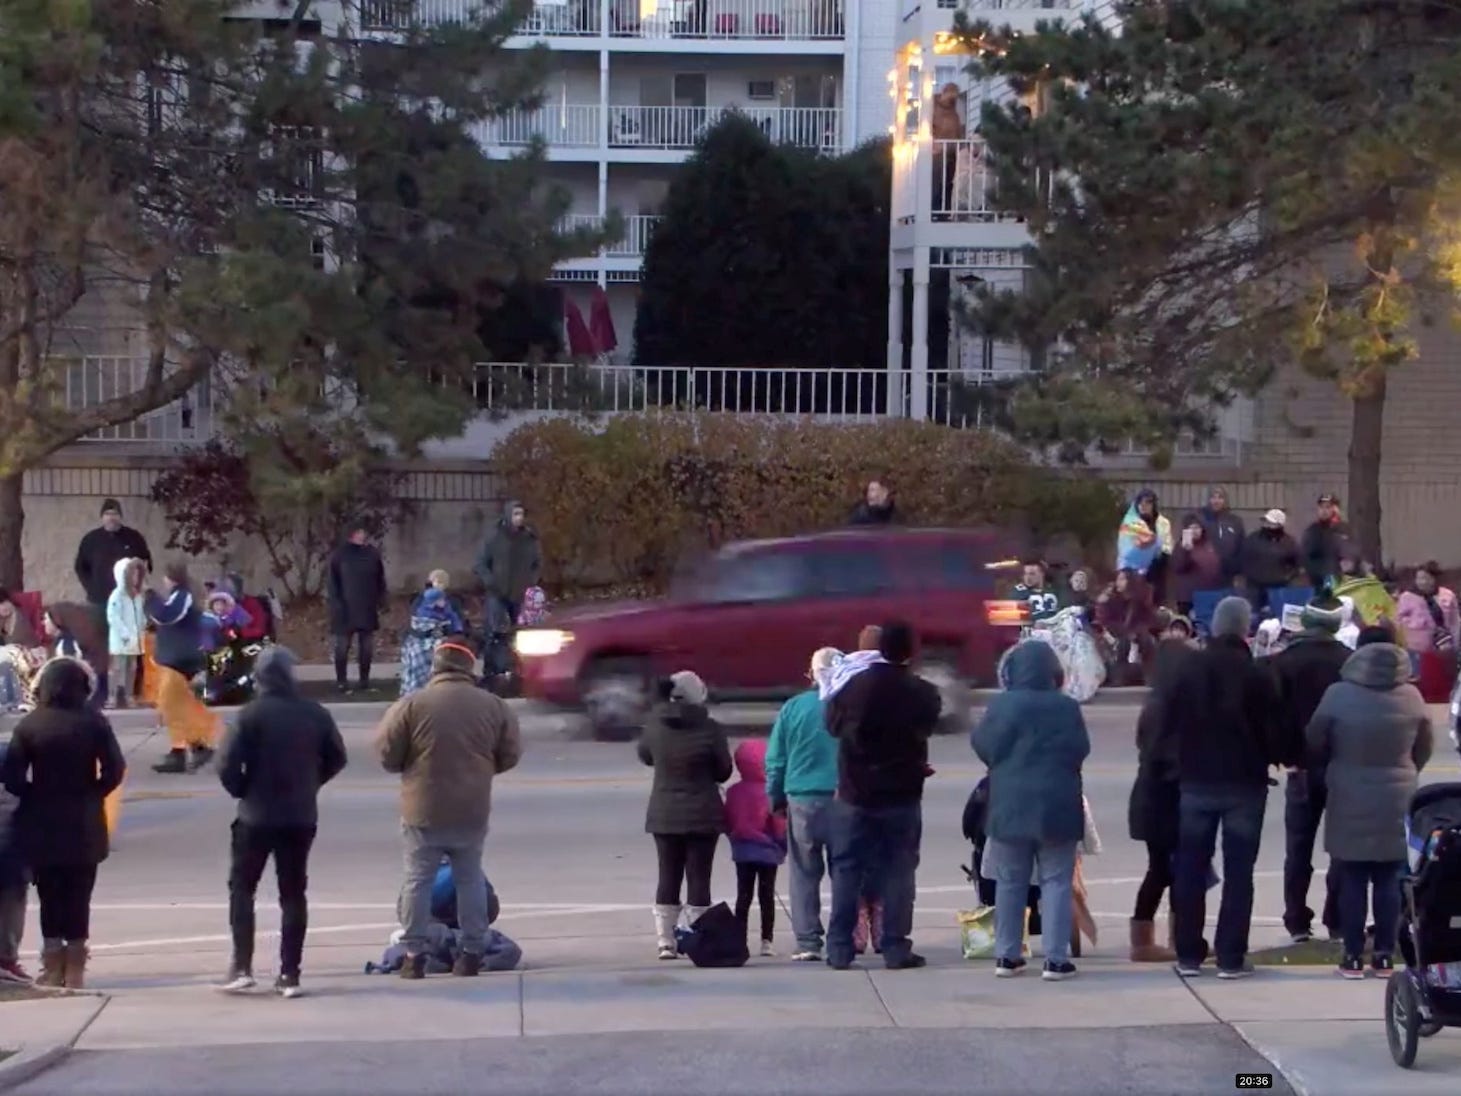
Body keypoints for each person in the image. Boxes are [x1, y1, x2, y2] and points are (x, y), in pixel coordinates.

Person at [376, 639, 522, 979]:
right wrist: (482, 770)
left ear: (436, 667)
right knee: (469, 878)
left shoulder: (411, 705)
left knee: (418, 880)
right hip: (471, 807)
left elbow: (387, 753)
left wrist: (411, 766)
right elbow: (511, 753)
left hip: (422, 807)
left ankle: (414, 955)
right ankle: (471, 953)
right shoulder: (494, 706)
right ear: (469, 668)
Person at [216, 647, 348, 998]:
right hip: (299, 815)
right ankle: (290, 973)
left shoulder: (249, 715)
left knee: (243, 888)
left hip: (255, 814)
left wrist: (242, 789)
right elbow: (337, 757)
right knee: (293, 892)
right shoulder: (314, 714)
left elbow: (226, 764)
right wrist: (312, 782)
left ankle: (242, 966)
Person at [1306, 634, 1433, 978]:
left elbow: (1315, 739)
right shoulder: (1412, 697)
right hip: (1397, 793)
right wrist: (1406, 771)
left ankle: (1350, 954)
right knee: (1391, 877)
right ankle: (1384, 955)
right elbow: (1424, 746)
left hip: (1348, 788)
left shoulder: (1337, 696)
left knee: (1352, 875)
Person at [1169, 596, 1282, 979]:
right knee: (1239, 873)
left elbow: (1168, 724)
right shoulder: (1257, 674)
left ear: (1214, 626)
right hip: (1244, 783)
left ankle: (1188, 953)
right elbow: (1275, 730)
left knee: (1190, 868)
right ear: (1245, 628)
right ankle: (1231, 956)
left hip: (1196, 780)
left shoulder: (1188, 670)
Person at [0, 657, 126, 989]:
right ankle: (76, 966)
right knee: (79, 894)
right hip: (84, 819)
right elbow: (115, 768)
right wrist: (95, 792)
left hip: (41, 819)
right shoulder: (94, 722)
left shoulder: (30, 726)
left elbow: (12, 776)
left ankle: (52, 963)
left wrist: (32, 794)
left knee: (50, 894)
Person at [824, 621, 942, 971]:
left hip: (854, 793)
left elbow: (831, 726)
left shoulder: (851, 687)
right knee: (899, 870)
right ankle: (894, 946)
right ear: (911, 651)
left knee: (846, 869)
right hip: (901, 793)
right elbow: (926, 727)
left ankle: (840, 947)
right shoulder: (922, 692)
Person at [972, 641, 1091, 981]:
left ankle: (1007, 956)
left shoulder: (1002, 706)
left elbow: (982, 744)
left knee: (1010, 881)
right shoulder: (1067, 708)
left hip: (1009, 803)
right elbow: (1080, 749)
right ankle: (1055, 959)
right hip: (1057, 804)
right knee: (1056, 880)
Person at [1268, 597, 1351, 943]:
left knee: (1298, 848)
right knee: (1342, 846)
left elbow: (1272, 714)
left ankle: (1297, 919)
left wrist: (1282, 754)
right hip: (1341, 763)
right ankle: (1337, 917)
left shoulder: (1283, 662)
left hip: (1298, 765)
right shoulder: (1348, 661)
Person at [638, 670, 732, 960]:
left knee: (668, 874)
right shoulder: (711, 728)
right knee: (699, 878)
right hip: (703, 812)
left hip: (664, 812)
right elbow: (723, 770)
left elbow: (646, 756)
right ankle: (697, 936)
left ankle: (666, 940)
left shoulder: (655, 725)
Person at [764, 647, 841, 962]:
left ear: (810, 674)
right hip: (843, 798)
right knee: (845, 871)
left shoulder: (793, 708)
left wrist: (775, 797)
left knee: (804, 872)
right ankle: (842, 937)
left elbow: (776, 760)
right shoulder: (847, 708)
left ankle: (808, 940)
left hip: (802, 798)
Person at [1126, 638, 1197, 963]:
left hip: (1151, 798)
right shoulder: (1174, 707)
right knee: (1170, 870)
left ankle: (1157, 937)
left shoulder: (1156, 702)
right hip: (1165, 800)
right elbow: (1165, 757)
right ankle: (1162, 939)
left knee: (1164, 869)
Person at [73, 500, 151, 707]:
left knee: (132, 654)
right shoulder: (91, 540)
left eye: (114, 513)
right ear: (102, 517)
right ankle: (104, 693)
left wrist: (139, 588)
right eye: (107, 513)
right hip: (99, 602)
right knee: (103, 650)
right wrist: (91, 588)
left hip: (130, 602)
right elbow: (80, 567)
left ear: (120, 516)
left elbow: (145, 563)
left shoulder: (133, 538)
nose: (111, 517)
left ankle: (130, 693)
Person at [146, 562, 220, 774]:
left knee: (170, 703)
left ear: (171, 578)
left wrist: (150, 599)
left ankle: (195, 747)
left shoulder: (182, 595)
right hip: (174, 658)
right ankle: (183, 750)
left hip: (180, 661)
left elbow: (168, 616)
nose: (164, 582)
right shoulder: (176, 597)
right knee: (173, 705)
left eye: (165, 578)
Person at [724, 739, 786, 957]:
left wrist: (733, 836)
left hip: (742, 850)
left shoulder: (733, 792)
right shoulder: (770, 792)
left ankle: (739, 938)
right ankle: (766, 940)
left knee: (744, 896)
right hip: (768, 851)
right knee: (766, 895)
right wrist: (782, 844)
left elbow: (727, 820)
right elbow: (778, 824)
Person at [473, 501, 542, 677]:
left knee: (520, 634)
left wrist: (531, 582)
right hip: (497, 592)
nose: (519, 518)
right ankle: (491, 671)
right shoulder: (494, 537)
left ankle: (516, 670)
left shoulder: (528, 538)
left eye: (521, 514)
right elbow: (480, 564)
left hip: (520, 593)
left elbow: (537, 563)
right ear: (508, 515)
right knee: (494, 633)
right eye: (515, 514)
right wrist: (490, 582)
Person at [328, 523, 388, 694]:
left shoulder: (372, 554)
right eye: (358, 532)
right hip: (344, 609)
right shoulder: (340, 555)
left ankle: (364, 680)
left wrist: (381, 600)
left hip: (367, 607)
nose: (362, 535)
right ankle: (342, 681)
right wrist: (337, 604)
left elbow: (380, 579)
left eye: (363, 532)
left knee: (367, 646)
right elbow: (333, 584)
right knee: (342, 646)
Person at [400, 573, 466, 698]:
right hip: (421, 642)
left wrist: (453, 630)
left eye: (442, 582)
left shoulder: (451, 601)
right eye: (437, 581)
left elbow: (456, 619)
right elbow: (415, 624)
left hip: (442, 641)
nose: (439, 585)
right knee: (418, 663)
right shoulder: (420, 600)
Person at [0, 736, 28, 984]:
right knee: (12, 907)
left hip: (12, 856)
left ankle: (7, 959)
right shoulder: (19, 798)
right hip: (12, 858)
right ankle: (7, 960)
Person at [1095, 569, 1157, 681]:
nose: (1118, 582)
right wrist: (1125, 631)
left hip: (1135, 631)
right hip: (1114, 632)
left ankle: (1149, 675)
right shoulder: (1110, 598)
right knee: (1124, 643)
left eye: (1122, 579)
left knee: (1146, 640)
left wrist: (1137, 630)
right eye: (1118, 579)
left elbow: (1148, 618)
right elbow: (1105, 621)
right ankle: (1119, 677)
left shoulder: (1139, 599)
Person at [1241, 509, 1301, 619]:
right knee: (1254, 618)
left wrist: (1287, 577)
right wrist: (1250, 575)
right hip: (1255, 588)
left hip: (1278, 588)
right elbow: (1243, 558)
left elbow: (1297, 563)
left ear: (1279, 525)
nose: (1267, 525)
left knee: (1278, 617)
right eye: (1266, 521)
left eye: (1271, 523)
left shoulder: (1289, 542)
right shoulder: (1253, 539)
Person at [1116, 489, 1173, 604]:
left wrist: (1155, 559)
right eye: (1140, 503)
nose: (1143, 506)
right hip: (1132, 573)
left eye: (1147, 503)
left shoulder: (1163, 523)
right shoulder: (1131, 523)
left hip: (1156, 572)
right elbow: (1124, 547)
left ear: (1154, 505)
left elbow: (1167, 546)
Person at [104, 559, 147, 709]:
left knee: (132, 667)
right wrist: (124, 633)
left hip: (135, 639)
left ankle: (129, 696)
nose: (135, 577)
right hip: (121, 640)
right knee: (117, 668)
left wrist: (143, 625)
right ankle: (112, 696)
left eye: (137, 574)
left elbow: (140, 615)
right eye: (132, 574)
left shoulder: (138, 596)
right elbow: (113, 616)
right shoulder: (117, 595)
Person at [1396, 563, 1459, 659]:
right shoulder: (1407, 597)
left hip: (1445, 646)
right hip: (1417, 648)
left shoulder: (1447, 595)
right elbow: (1399, 621)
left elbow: (1454, 621)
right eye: (1419, 578)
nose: (1422, 582)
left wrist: (1456, 642)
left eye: (1426, 578)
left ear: (1435, 579)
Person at [0, 590, 45, 711]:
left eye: (4, 602)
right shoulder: (3, 621)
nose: (3, 607)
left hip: (28, 654)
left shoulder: (20, 615)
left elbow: (31, 640)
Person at [1171, 515, 1224, 618]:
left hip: (1207, 595)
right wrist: (1185, 551)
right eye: (1191, 528)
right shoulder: (1180, 547)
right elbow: (1178, 566)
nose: (1195, 531)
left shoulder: (1209, 545)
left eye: (1197, 528)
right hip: (1188, 597)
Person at [1301, 493, 1351, 591]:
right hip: (1317, 580)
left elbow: (1350, 551)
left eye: (1328, 507)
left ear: (1335, 509)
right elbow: (1306, 554)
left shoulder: (1343, 529)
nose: (1324, 511)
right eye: (1321, 507)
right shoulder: (1313, 530)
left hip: (1339, 579)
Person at [1197, 487, 1246, 586]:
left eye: (1220, 498)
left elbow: (1241, 546)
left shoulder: (1235, 521)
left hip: (1228, 575)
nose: (1216, 501)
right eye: (1213, 497)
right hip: (1204, 574)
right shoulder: (1200, 519)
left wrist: (1237, 569)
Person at [1014, 559, 1063, 624]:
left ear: (1042, 574)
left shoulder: (1055, 589)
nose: (1027, 578)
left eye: (1032, 574)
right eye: (1025, 574)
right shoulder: (1019, 591)